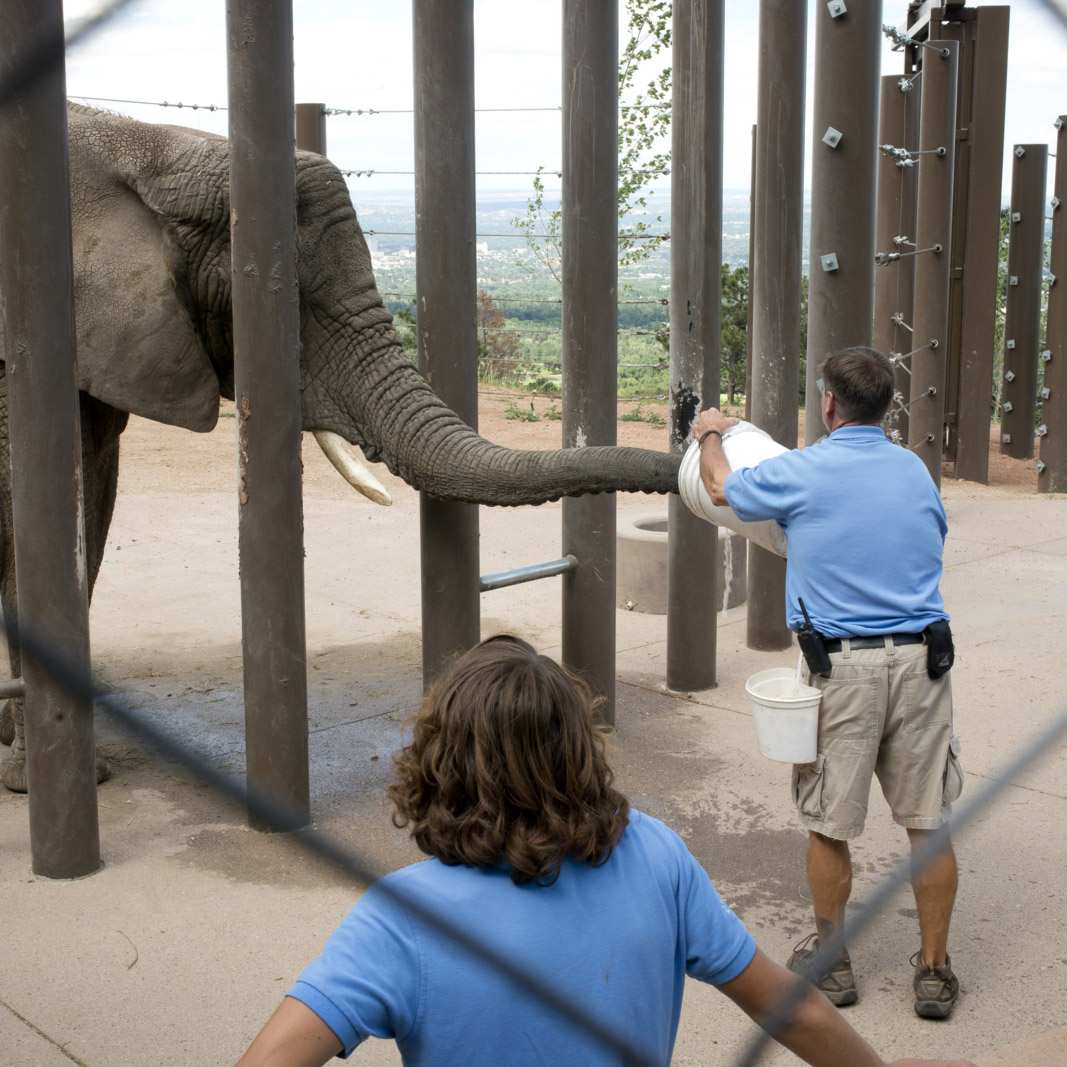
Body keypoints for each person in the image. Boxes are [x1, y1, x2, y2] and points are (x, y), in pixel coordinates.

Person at [236, 634, 974, 1066]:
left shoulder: (400, 918)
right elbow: (792, 1008)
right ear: (577, 747)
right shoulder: (653, 855)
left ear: (437, 760)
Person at [692, 346, 962, 1020]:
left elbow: (721, 487)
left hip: (844, 668)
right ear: (887, 406)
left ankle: (833, 961)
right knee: (927, 824)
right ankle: (933, 971)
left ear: (829, 404)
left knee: (828, 823)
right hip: (924, 663)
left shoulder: (803, 470)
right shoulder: (914, 473)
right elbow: (930, 535)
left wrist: (709, 431)